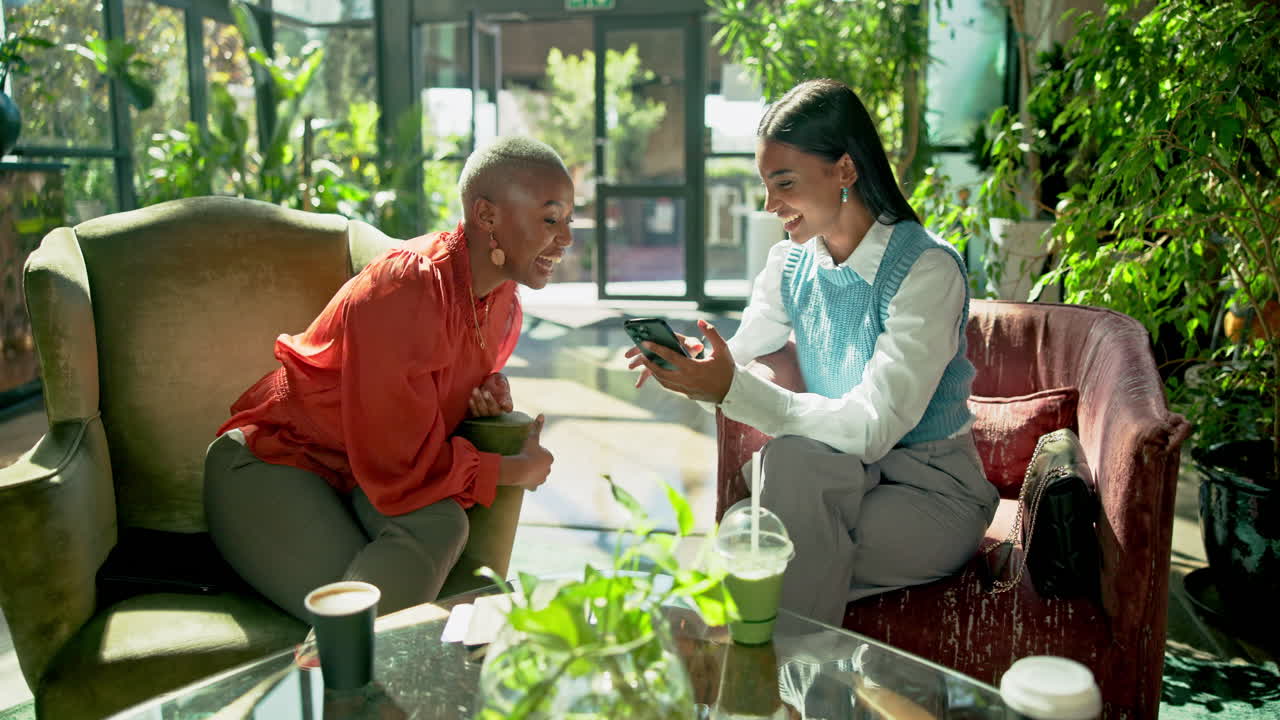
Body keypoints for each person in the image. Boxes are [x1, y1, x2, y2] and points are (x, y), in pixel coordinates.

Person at [626, 79, 998, 626]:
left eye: (784, 184)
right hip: (837, 474)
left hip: (929, 491)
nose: (770, 205)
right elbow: (739, 354)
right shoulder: (792, 263)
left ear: (845, 169)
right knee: (789, 473)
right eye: (766, 186)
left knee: (767, 547)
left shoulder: (926, 269)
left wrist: (730, 388)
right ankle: (785, 667)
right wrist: (693, 366)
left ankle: (757, 665)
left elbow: (873, 427)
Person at [204, 136, 572, 621]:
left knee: (442, 526)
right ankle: (345, 662)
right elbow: (399, 466)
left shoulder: (501, 299)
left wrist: (479, 396)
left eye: (569, 220)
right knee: (359, 617)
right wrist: (514, 470)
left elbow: (427, 391)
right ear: (486, 216)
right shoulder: (407, 286)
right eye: (551, 220)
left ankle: (366, 658)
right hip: (276, 464)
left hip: (360, 478)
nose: (566, 238)